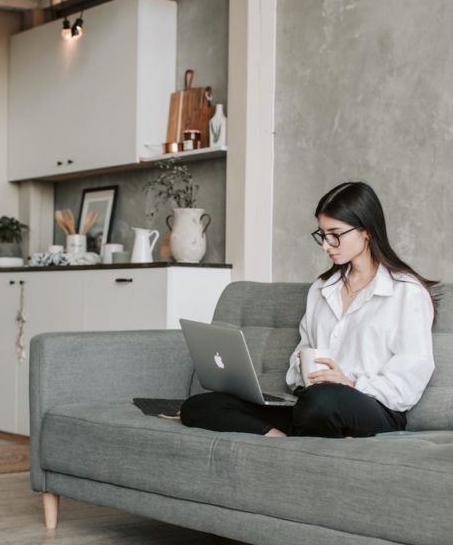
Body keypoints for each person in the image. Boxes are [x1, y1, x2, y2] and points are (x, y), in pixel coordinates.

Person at [180, 182, 436, 438]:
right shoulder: (322, 288)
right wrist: (302, 366)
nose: (326, 245)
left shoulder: (406, 292)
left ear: (366, 230)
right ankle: (279, 439)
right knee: (200, 406)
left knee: (320, 402)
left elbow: (411, 376)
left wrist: (350, 383)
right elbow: (303, 352)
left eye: (335, 234)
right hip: (312, 404)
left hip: (373, 406)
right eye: (322, 235)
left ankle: (302, 431)